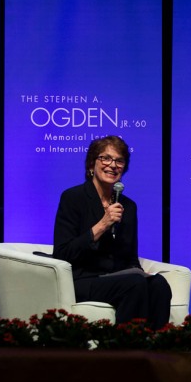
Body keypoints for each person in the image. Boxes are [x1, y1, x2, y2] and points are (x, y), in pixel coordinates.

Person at [52, 135, 171, 329]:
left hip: (118, 277)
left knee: (159, 284)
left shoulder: (128, 206)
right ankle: (126, 344)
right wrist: (103, 224)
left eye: (119, 161)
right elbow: (63, 253)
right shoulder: (73, 198)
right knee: (134, 284)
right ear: (92, 164)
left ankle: (156, 345)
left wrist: (140, 272)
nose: (113, 165)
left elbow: (130, 257)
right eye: (105, 158)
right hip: (83, 279)